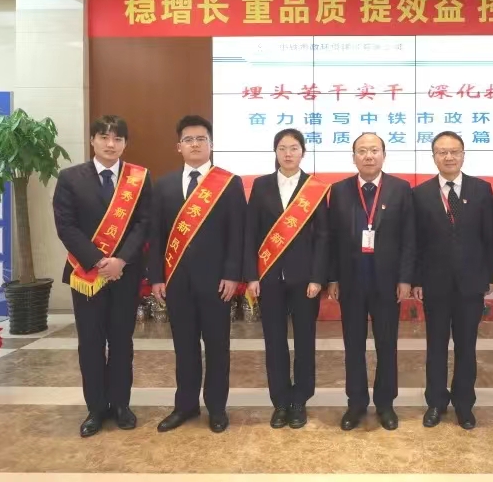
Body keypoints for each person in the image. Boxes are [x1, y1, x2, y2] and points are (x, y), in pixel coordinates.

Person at [52, 115, 152, 438]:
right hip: (85, 274)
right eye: (104, 137)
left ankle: (121, 405)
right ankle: (95, 409)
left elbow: (144, 223)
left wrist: (121, 260)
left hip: (125, 274)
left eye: (118, 138)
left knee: (122, 341)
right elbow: (66, 226)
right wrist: (97, 261)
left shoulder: (139, 178)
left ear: (125, 143)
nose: (111, 144)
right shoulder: (70, 178)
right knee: (91, 343)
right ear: (93, 140)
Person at [148, 115, 246, 434]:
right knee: (184, 347)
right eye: (188, 140)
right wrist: (156, 277)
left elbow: (238, 233)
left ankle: (217, 407)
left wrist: (232, 274)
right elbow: (156, 235)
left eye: (201, 139)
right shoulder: (163, 185)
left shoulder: (228, 183)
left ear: (211, 145)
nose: (195, 145)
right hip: (176, 281)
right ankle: (186, 405)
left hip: (217, 282)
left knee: (217, 347)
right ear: (179, 146)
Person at [327, 133, 415, 431]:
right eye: (362, 151)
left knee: (387, 344)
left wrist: (405, 278)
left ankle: (386, 403)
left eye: (374, 150)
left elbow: (409, 238)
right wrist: (332, 277)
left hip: (387, 282)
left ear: (383, 155)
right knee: (353, 345)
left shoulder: (400, 189)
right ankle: (356, 403)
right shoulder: (339, 190)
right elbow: (332, 238)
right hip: (351, 281)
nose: (368, 156)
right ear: (353, 157)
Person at [244, 129, 329, 430]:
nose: (288, 153)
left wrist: (318, 277)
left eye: (294, 148)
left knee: (305, 342)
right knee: (274, 342)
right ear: (275, 152)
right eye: (282, 148)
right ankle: (280, 402)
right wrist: (251, 276)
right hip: (269, 279)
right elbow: (251, 232)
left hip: (305, 281)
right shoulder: (261, 185)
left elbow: (323, 237)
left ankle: (300, 401)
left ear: (302, 152)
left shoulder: (314, 188)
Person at [412, 131, 493, 430]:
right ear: (434, 156)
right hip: (434, 283)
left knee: (466, 347)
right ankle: (435, 402)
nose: (448, 157)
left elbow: (489, 236)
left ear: (463, 155)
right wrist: (416, 280)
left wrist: (489, 275)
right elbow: (415, 242)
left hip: (470, 283)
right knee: (435, 346)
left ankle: (464, 404)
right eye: (442, 152)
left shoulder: (481, 189)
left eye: (454, 152)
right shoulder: (420, 193)